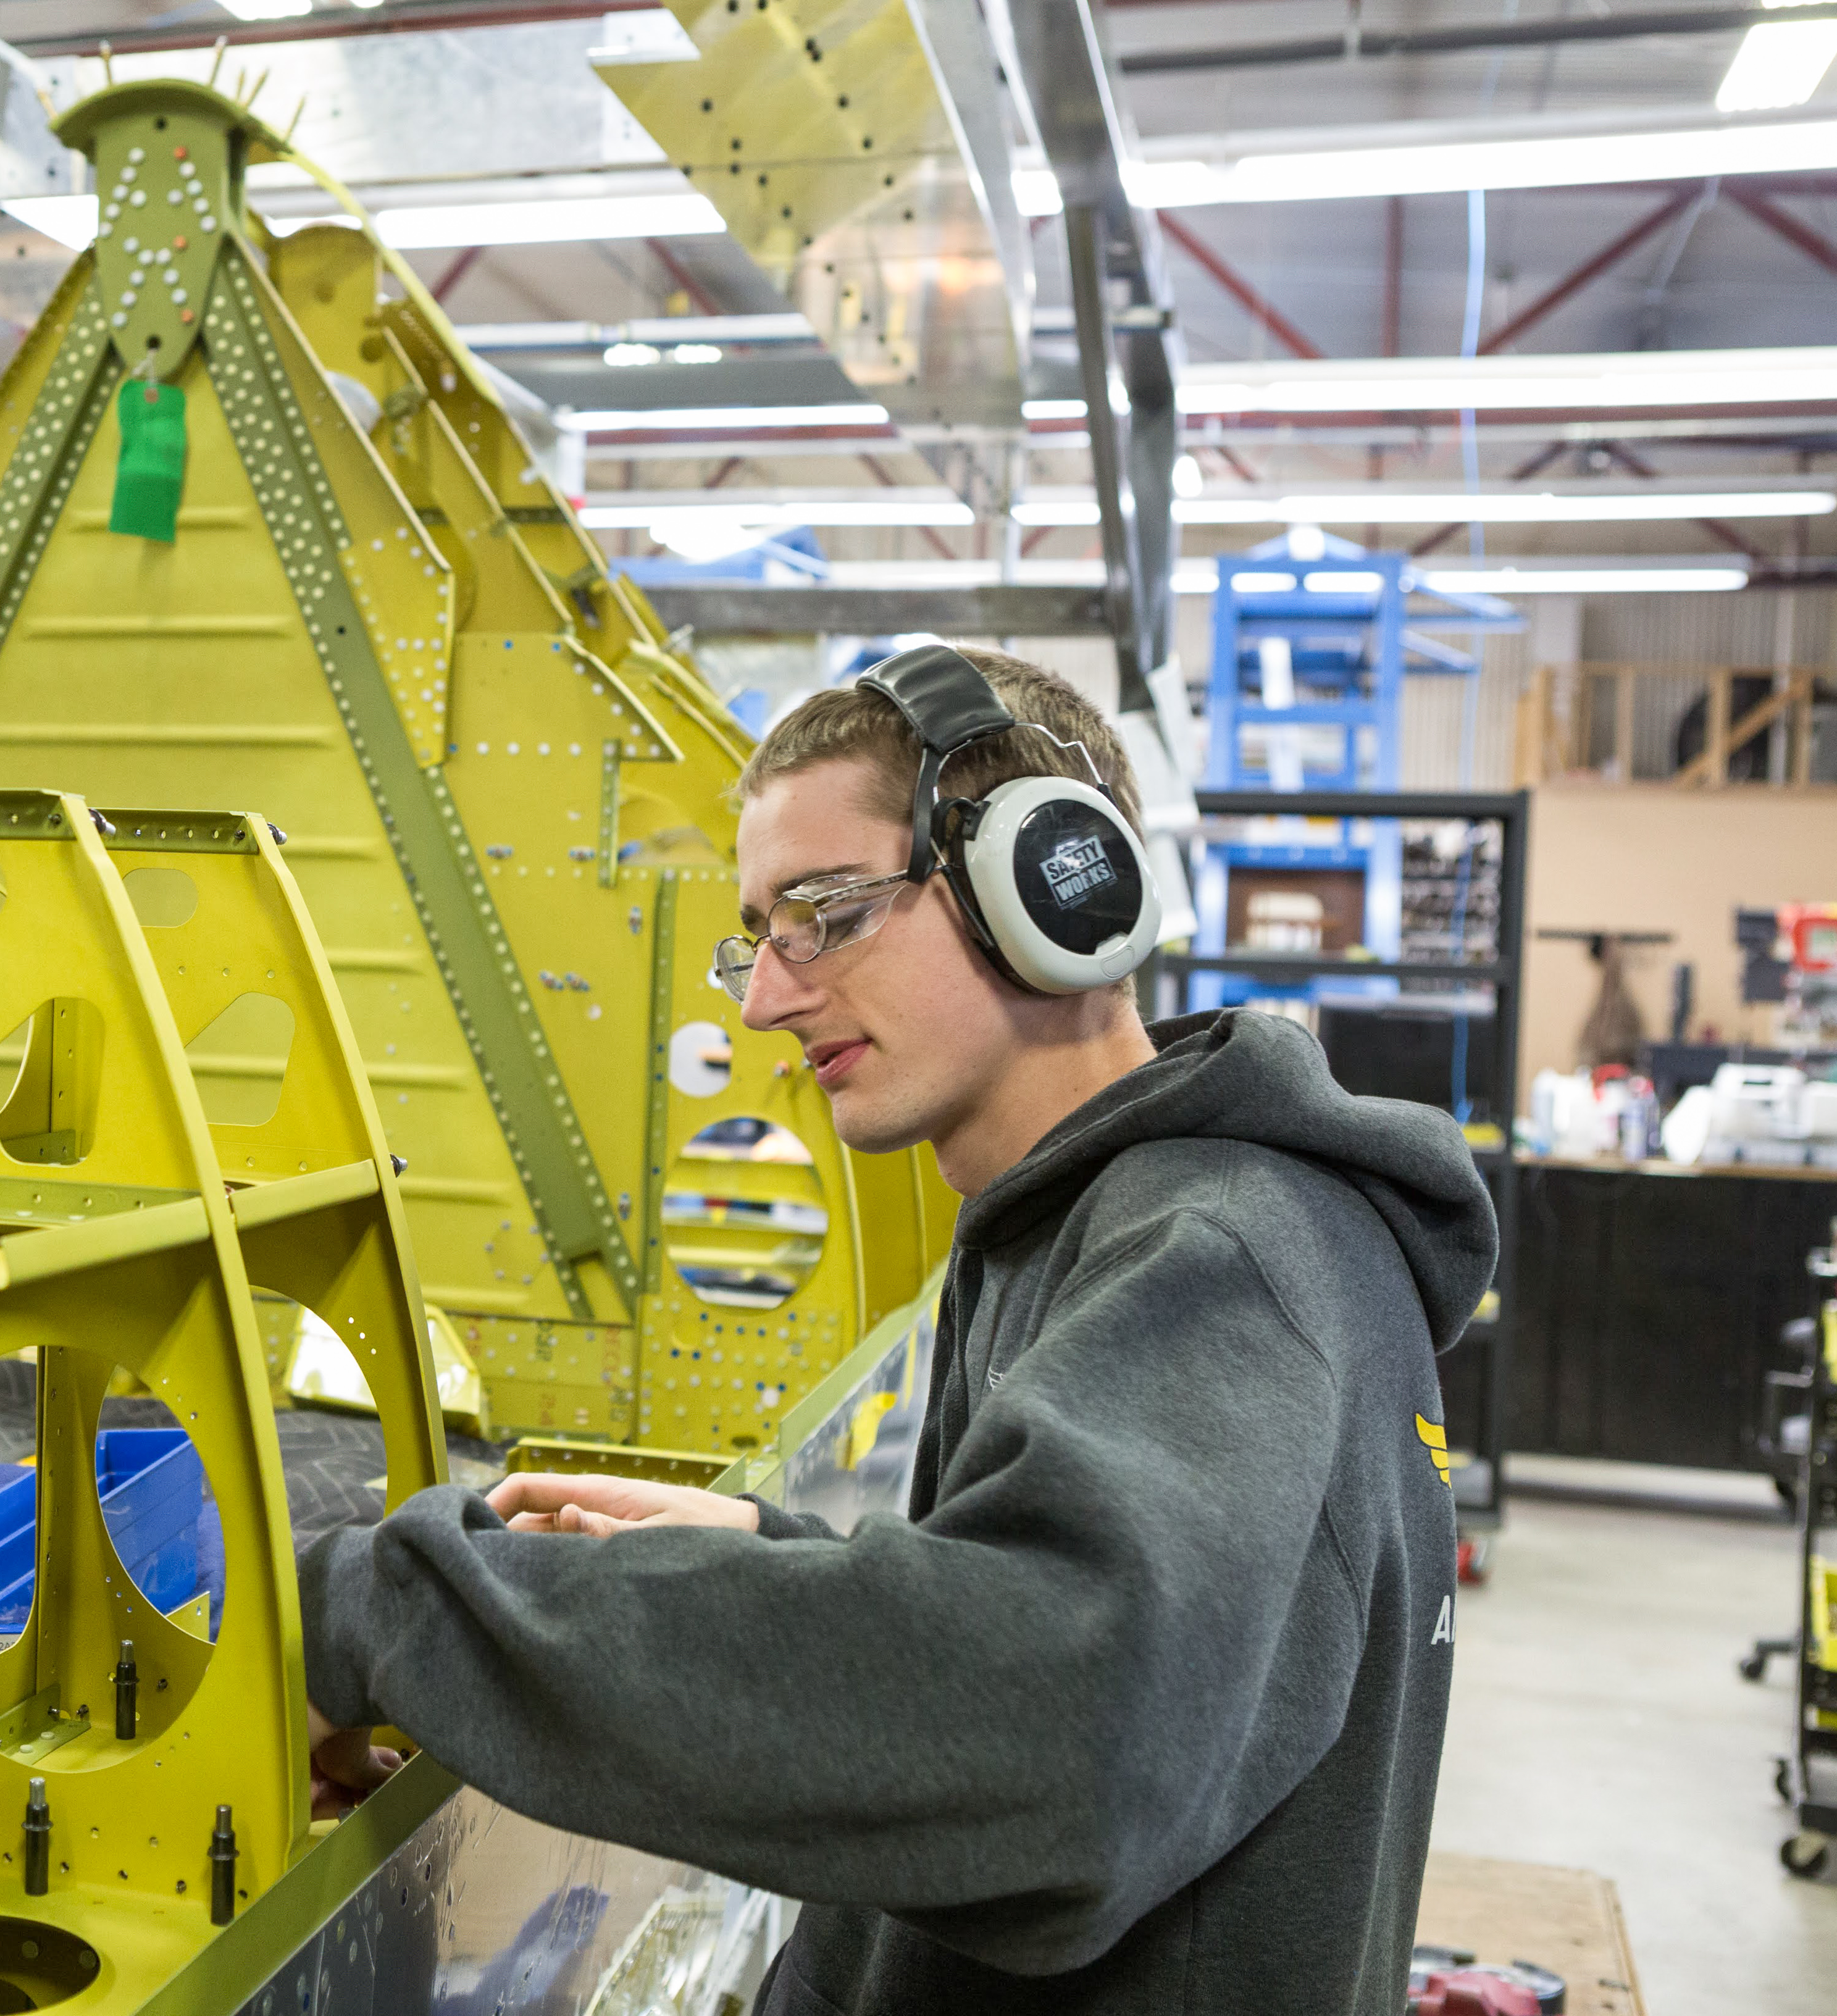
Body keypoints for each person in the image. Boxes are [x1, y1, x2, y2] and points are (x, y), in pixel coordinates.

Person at [299, 645, 1497, 2015]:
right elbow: (1101, 1638)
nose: (762, 995)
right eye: (757, 932)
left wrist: (378, 1617)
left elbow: (1053, 1729)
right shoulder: (1081, 1223)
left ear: (1052, 886)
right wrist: (773, 1562)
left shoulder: (1222, 1259)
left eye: (823, 912)